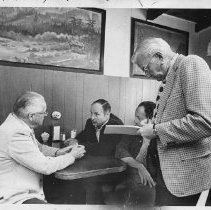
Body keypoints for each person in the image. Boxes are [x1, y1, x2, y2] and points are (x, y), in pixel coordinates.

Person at [131, 37, 211, 206]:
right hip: (169, 174)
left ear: (159, 57)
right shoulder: (170, 76)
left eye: (145, 68)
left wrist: (156, 131)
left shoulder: (191, 64)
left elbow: (204, 122)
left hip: (187, 178)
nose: (146, 74)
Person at [0, 91, 85, 204]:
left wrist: (59, 152)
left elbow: (39, 148)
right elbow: (45, 166)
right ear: (31, 116)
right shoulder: (16, 133)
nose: (45, 116)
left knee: (73, 190)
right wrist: (71, 156)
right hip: (17, 197)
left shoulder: (18, 124)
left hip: (24, 189)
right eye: (44, 113)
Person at [74, 99, 124, 204]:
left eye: (96, 114)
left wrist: (79, 145)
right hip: (96, 163)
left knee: (89, 185)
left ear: (107, 114)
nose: (92, 117)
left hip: (113, 169)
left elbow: (103, 149)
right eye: (91, 113)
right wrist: (76, 140)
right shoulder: (90, 122)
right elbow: (85, 133)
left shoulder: (116, 126)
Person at [115, 101, 156, 206]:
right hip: (133, 177)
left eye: (139, 118)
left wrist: (146, 140)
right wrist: (139, 166)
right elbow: (120, 150)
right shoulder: (132, 132)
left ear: (151, 120)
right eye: (135, 117)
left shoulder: (160, 135)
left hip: (153, 180)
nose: (135, 120)